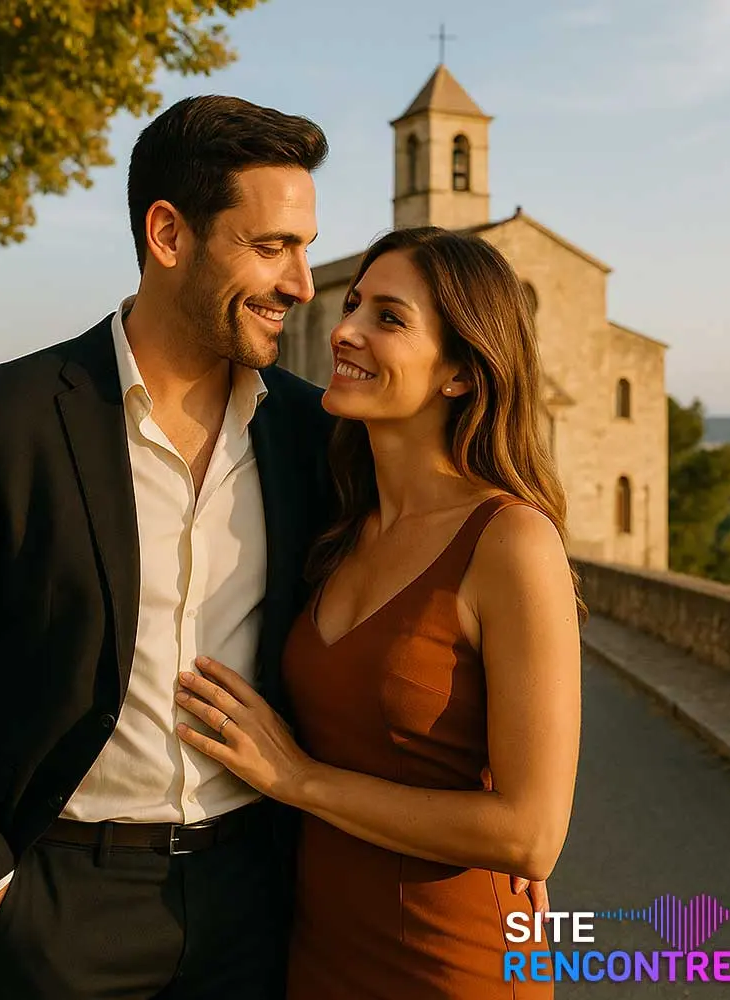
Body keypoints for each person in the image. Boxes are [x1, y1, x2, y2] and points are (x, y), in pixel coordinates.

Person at [0, 93, 547, 998]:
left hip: (263, 905)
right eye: (271, 247)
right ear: (169, 234)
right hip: (59, 902)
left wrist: (494, 817)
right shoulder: (4, 419)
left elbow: (412, 624)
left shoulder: (313, 435)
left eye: (305, 248)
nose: (302, 284)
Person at [171, 226, 584, 999]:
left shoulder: (510, 541)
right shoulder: (337, 524)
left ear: (461, 373)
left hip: (450, 964)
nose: (345, 330)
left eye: (388, 317)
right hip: (314, 953)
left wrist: (300, 780)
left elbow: (531, 836)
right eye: (353, 304)